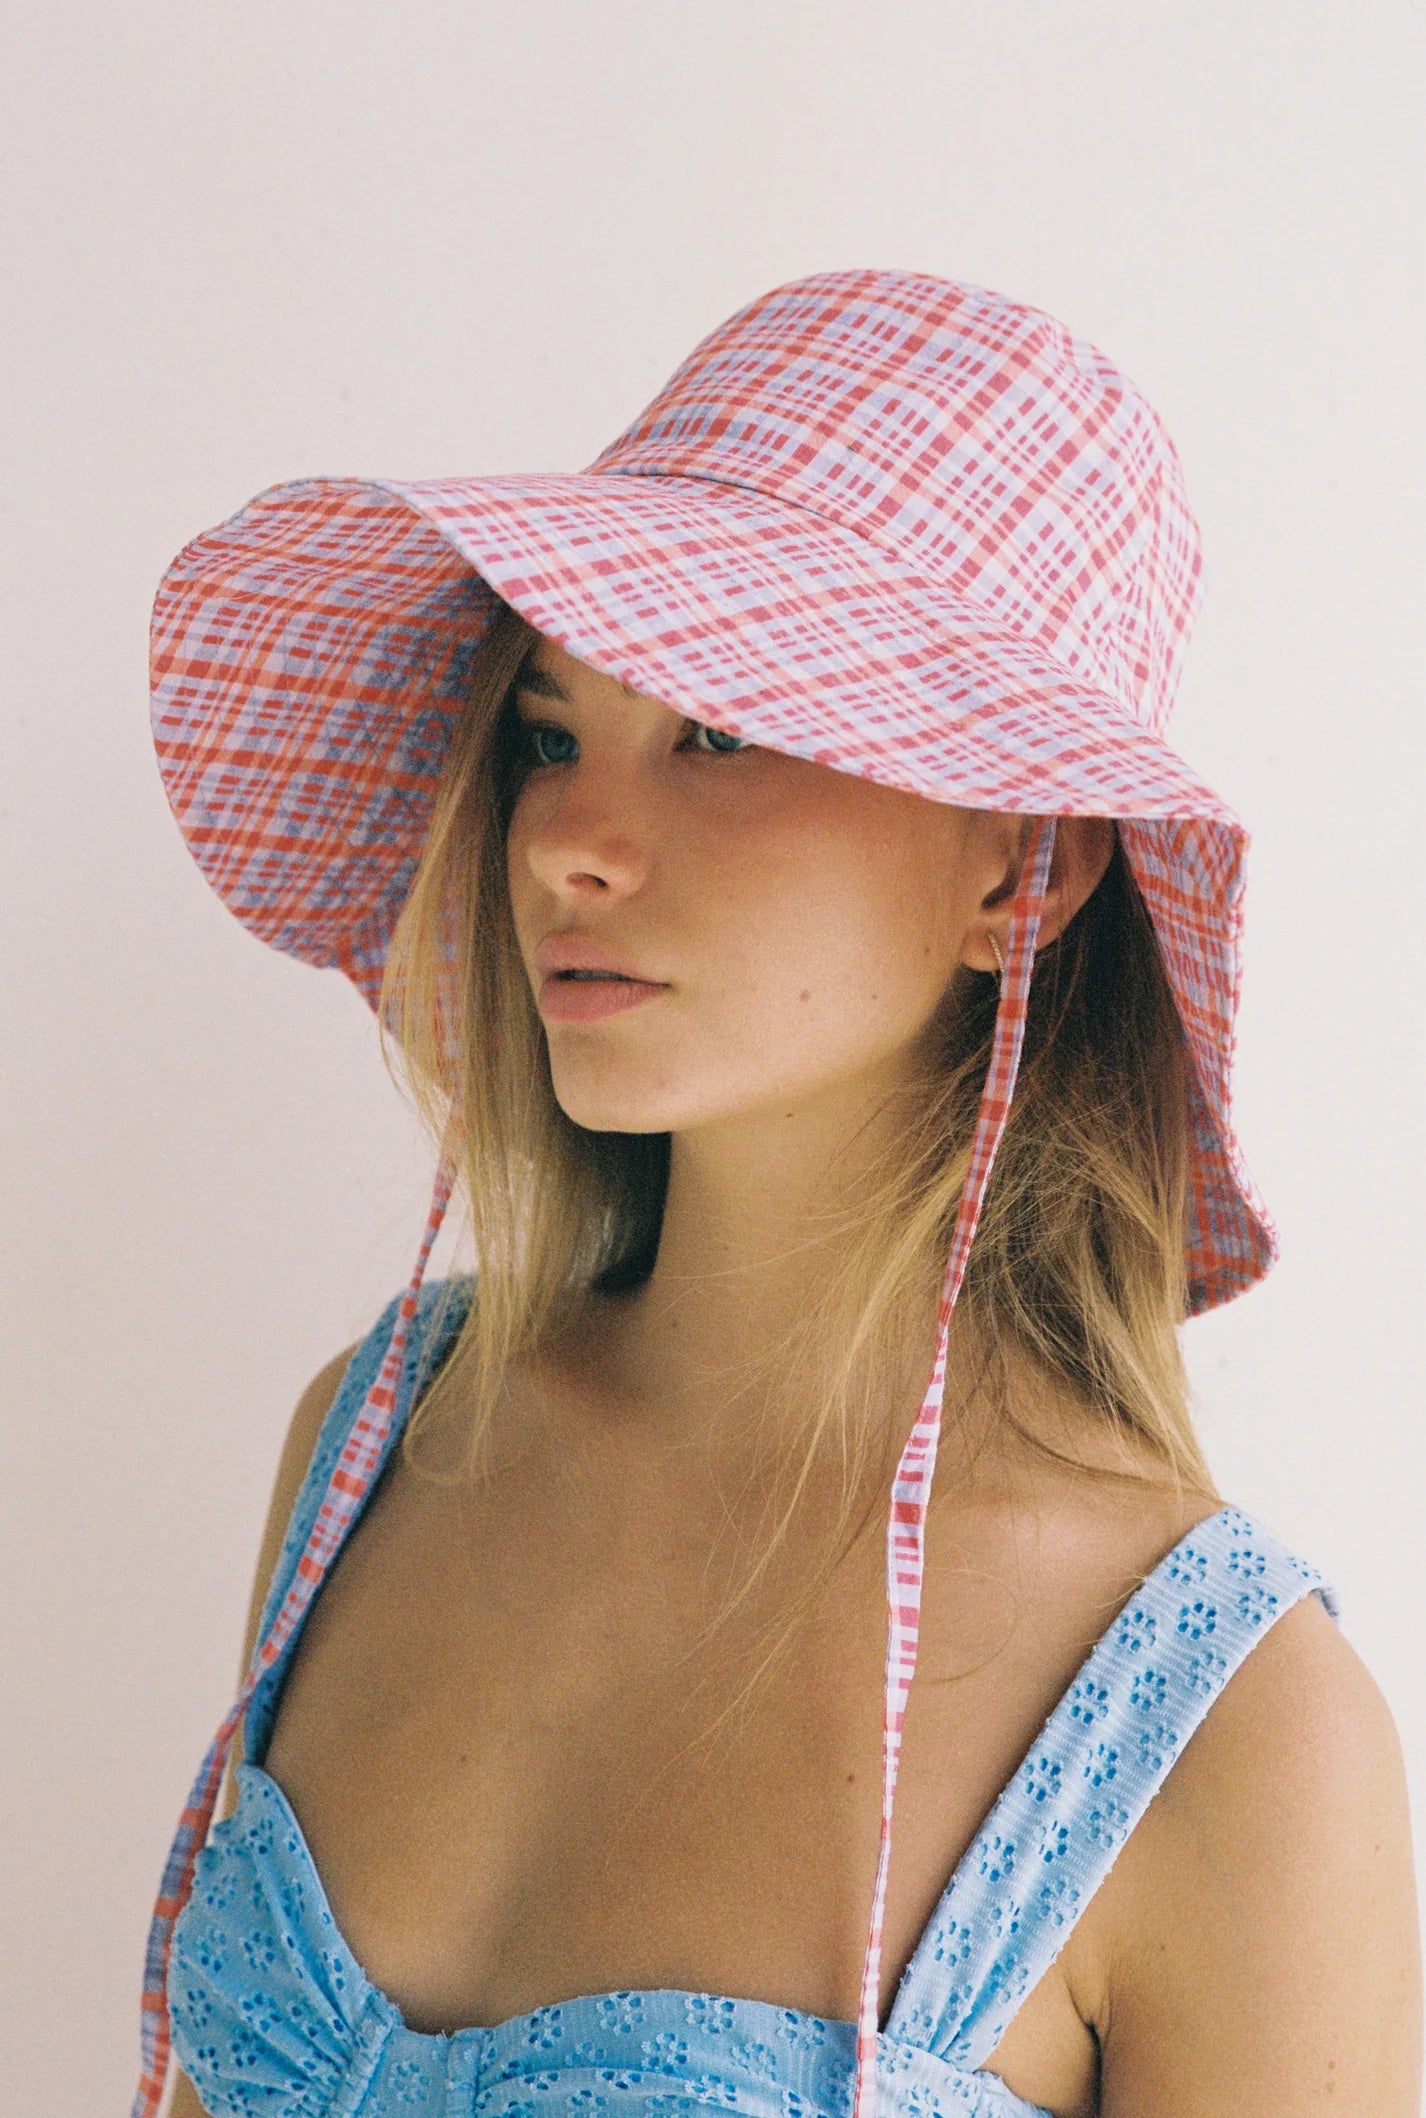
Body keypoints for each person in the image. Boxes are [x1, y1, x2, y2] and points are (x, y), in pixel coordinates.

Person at [138, 269, 1420, 2118]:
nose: (569, 840)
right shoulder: (378, 1439)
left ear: (1023, 871)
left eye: (720, 734)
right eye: (547, 732)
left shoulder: (1226, 1742)